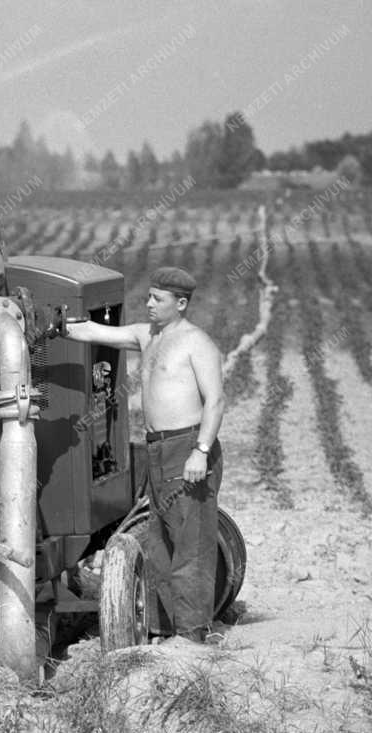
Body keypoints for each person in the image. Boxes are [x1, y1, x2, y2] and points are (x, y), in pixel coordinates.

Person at [61, 266, 225, 643]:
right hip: (157, 449)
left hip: (187, 447)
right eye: (148, 296)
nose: (149, 304)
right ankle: (165, 630)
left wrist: (200, 452)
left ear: (181, 304)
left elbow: (215, 401)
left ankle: (193, 636)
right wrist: (53, 324)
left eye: (158, 299)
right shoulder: (146, 335)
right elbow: (93, 331)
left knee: (191, 545)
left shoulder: (196, 342)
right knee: (160, 543)